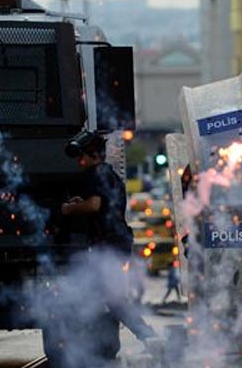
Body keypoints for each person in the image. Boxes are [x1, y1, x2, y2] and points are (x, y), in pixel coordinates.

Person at [54, 130, 158, 363]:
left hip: (109, 244)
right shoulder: (109, 174)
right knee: (104, 297)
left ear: (93, 155)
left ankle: (148, 337)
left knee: (112, 298)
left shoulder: (95, 174)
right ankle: (108, 346)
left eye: (82, 156)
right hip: (117, 241)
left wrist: (69, 208)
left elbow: (94, 205)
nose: (80, 162)